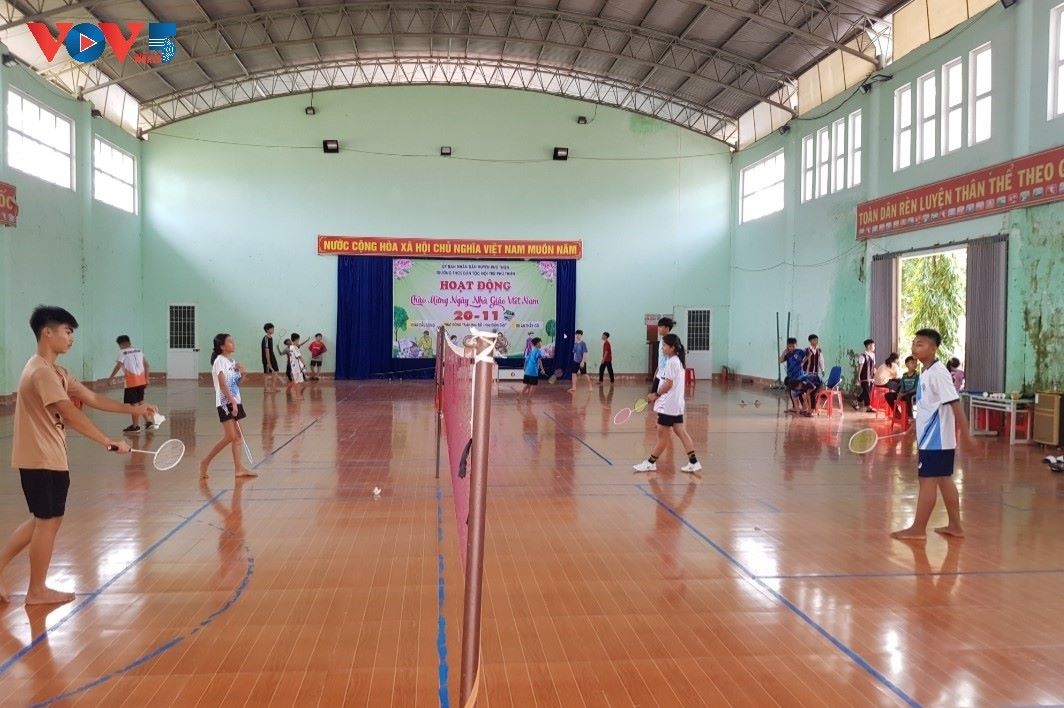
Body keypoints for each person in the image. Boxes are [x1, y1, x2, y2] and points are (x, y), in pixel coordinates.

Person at [1, 306, 155, 606]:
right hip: (41, 458)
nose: (71, 338)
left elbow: (91, 397)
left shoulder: (57, 372)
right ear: (48, 332)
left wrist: (133, 408)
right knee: (47, 522)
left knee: (43, 520)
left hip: (49, 457)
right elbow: (69, 413)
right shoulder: (41, 372)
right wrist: (108, 441)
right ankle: (36, 591)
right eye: (67, 331)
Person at [891, 328, 970, 540]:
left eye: (920, 344)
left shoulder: (938, 373)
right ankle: (955, 526)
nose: (915, 347)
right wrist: (914, 427)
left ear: (933, 349)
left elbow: (954, 404)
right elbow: (930, 406)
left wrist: (966, 436)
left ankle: (918, 530)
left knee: (927, 481)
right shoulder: (926, 372)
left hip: (937, 440)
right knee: (944, 480)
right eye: (914, 343)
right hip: (934, 439)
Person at [634, 334, 701, 474]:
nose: (662, 348)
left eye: (664, 345)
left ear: (672, 348)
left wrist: (655, 395)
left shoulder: (671, 362)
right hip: (677, 405)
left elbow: (668, 384)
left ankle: (650, 463)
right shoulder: (678, 361)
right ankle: (694, 462)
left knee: (662, 437)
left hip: (668, 406)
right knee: (681, 432)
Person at [199, 333, 256, 480]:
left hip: (235, 401)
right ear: (222, 346)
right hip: (226, 402)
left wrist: (243, 374)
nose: (233, 343)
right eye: (230, 341)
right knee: (230, 436)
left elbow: (235, 384)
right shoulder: (219, 361)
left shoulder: (231, 362)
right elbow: (223, 385)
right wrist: (232, 402)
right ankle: (205, 462)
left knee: (238, 437)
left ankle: (239, 469)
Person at [108, 334, 151, 431]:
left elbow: (118, 366)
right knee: (140, 402)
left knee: (134, 405)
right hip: (141, 380)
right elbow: (147, 365)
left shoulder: (122, 352)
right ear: (129, 342)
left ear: (120, 344)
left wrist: (111, 378)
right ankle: (148, 421)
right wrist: (147, 379)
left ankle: (135, 426)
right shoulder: (139, 350)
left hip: (131, 382)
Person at [779, 337, 805, 414]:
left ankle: (804, 408)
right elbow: (780, 361)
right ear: (787, 346)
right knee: (792, 391)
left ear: (796, 345)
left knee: (800, 391)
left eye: (793, 346)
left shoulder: (800, 352)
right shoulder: (788, 354)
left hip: (799, 375)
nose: (792, 348)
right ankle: (795, 407)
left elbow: (808, 355)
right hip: (791, 376)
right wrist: (784, 352)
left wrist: (804, 363)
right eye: (790, 346)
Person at [653, 317, 676, 394]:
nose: (658, 329)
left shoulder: (669, 342)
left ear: (667, 328)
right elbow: (661, 358)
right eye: (658, 326)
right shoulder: (662, 340)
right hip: (659, 373)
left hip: (665, 375)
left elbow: (669, 358)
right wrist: (657, 371)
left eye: (661, 326)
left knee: (658, 396)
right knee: (653, 395)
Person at [854, 339, 876, 412]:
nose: (874, 347)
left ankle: (857, 400)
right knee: (866, 391)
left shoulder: (873, 355)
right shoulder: (863, 356)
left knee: (867, 391)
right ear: (869, 346)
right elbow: (860, 367)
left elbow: (873, 366)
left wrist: (874, 374)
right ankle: (868, 407)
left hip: (871, 377)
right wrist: (858, 376)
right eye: (873, 345)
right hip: (864, 377)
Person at [261, 323, 281, 393]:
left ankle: (273, 387)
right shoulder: (266, 338)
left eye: (273, 328)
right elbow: (266, 350)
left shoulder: (271, 338)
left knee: (276, 370)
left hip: (272, 356)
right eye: (271, 328)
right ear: (267, 330)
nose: (273, 330)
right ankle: (266, 389)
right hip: (267, 357)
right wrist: (268, 362)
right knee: (266, 373)